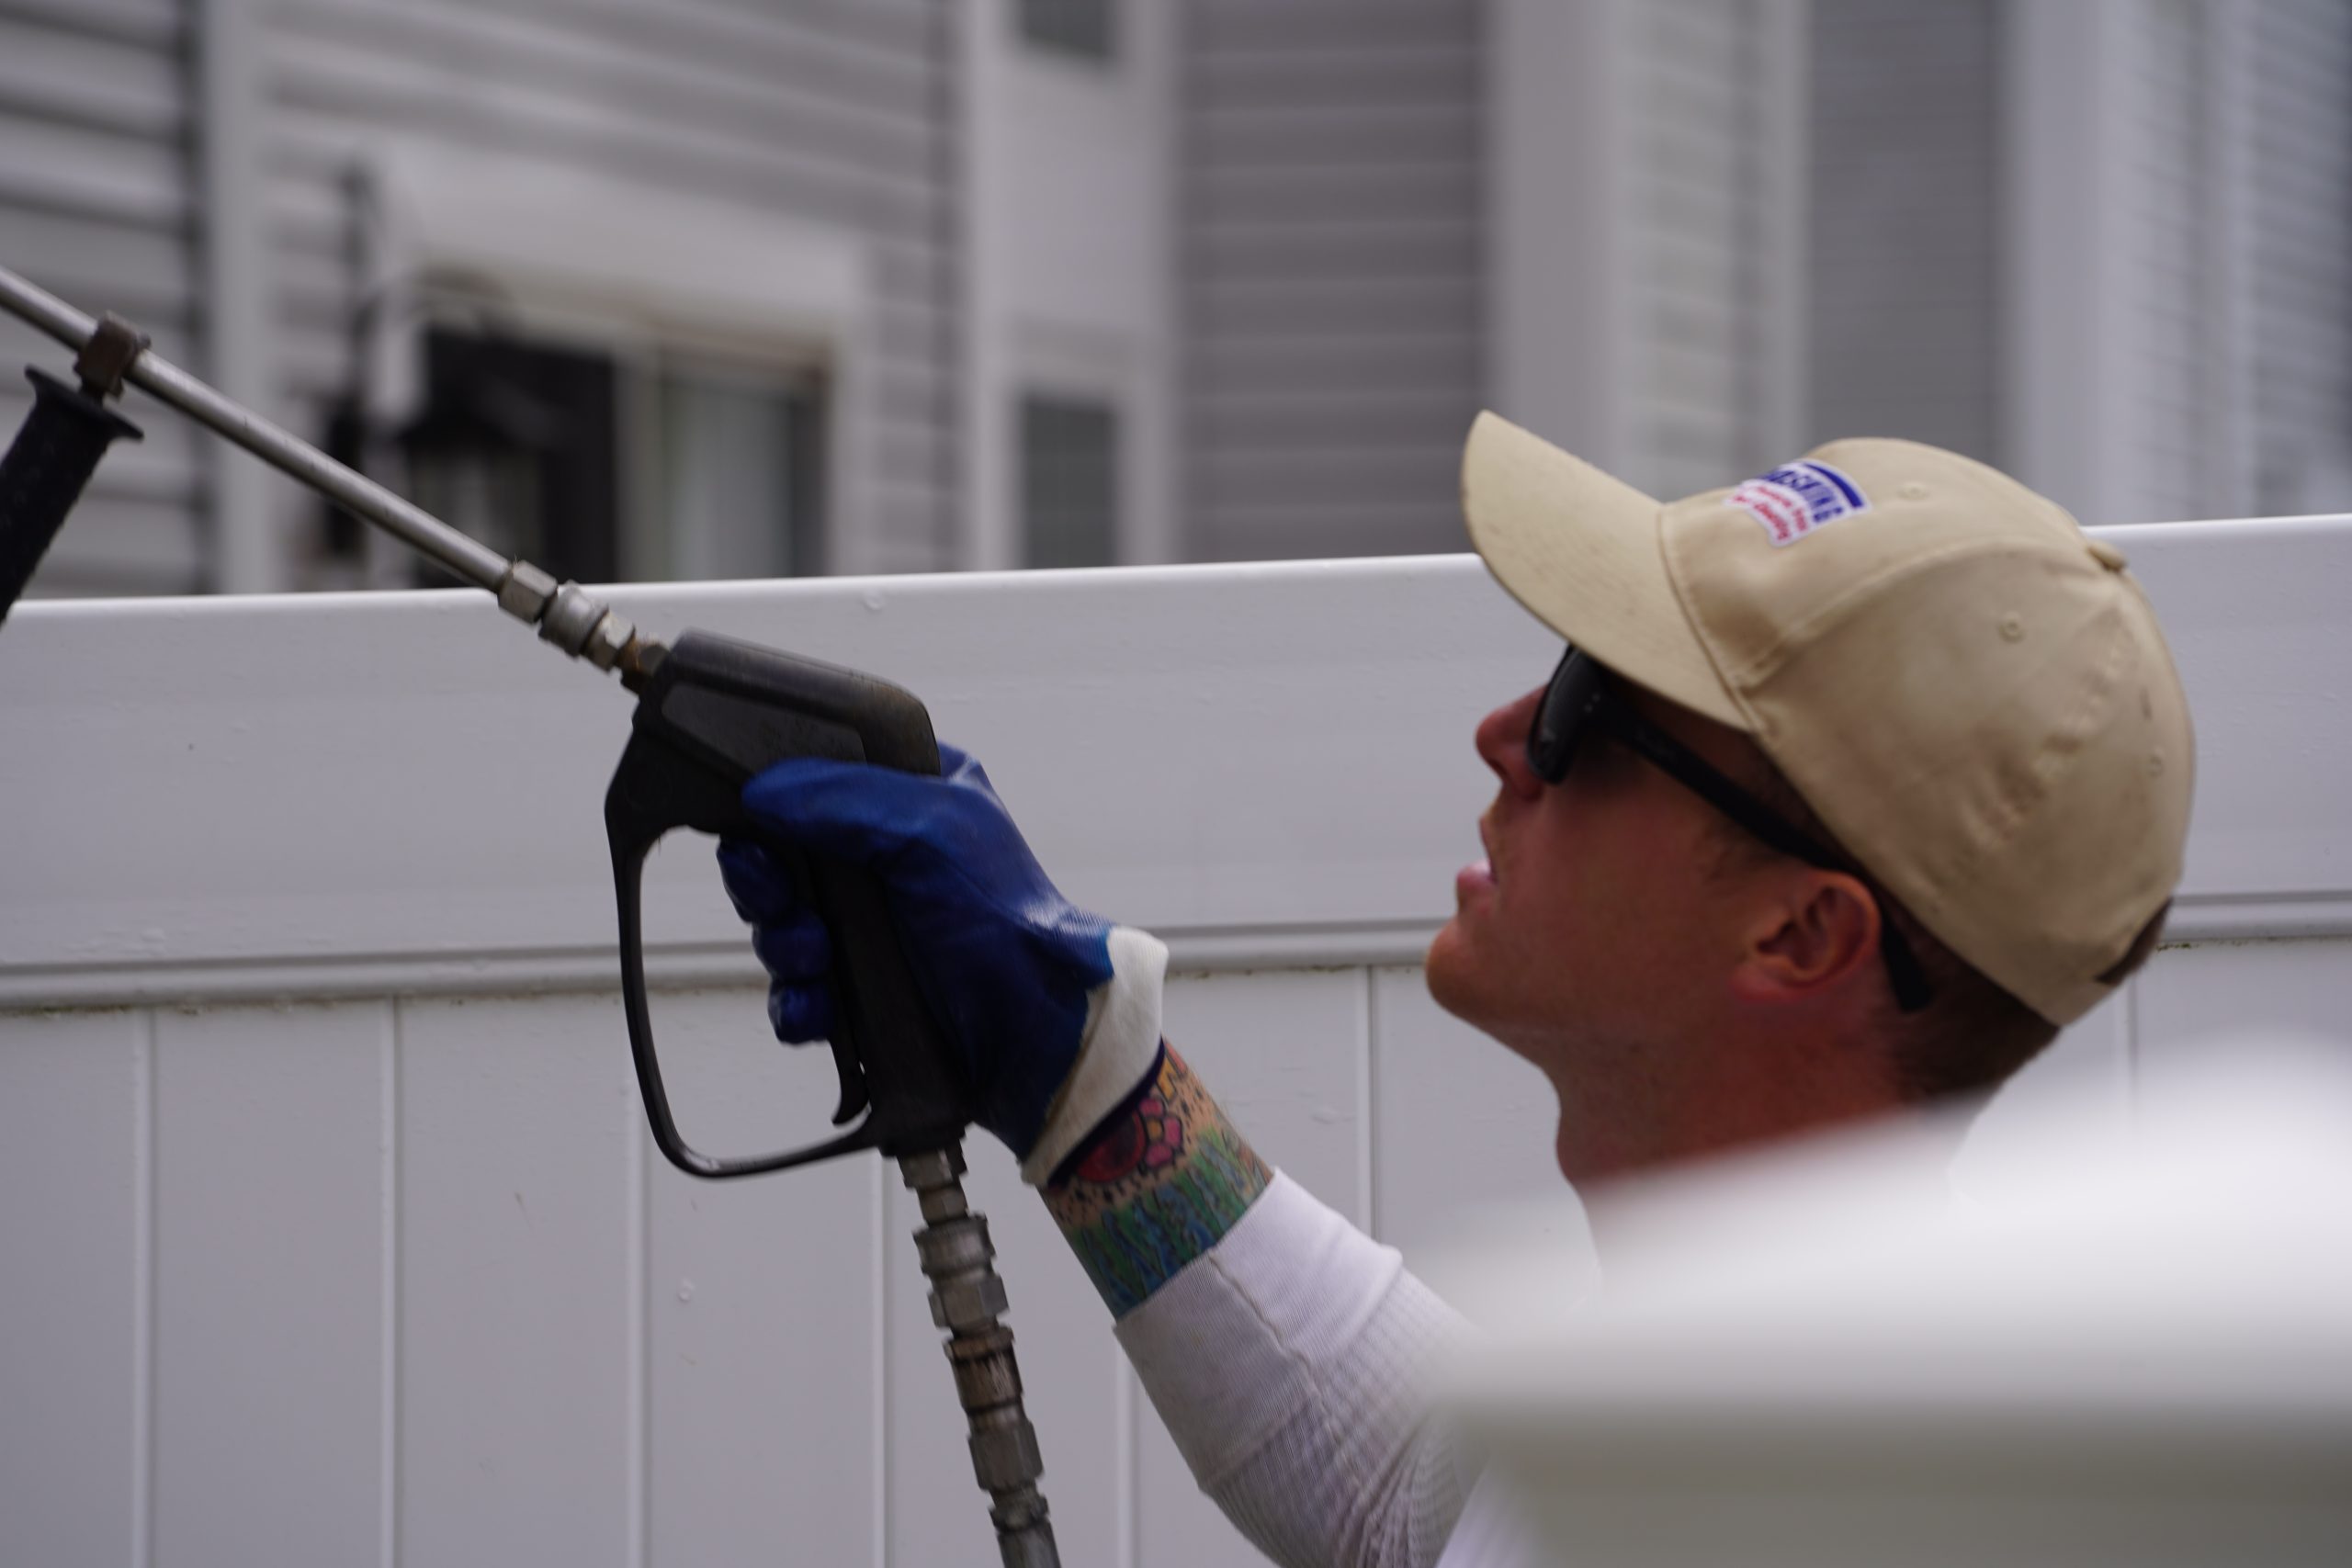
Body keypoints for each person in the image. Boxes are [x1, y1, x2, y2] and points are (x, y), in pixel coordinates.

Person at [716, 413, 2194, 1567]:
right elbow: (1421, 1494)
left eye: (1592, 708)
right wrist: (1077, 1068)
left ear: (1801, 934)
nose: (1505, 732)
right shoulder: (1762, 1409)